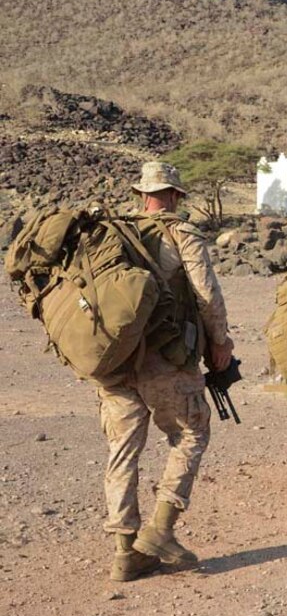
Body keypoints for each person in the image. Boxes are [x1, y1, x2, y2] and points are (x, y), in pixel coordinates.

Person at [98, 161, 234, 582]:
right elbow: (206, 293)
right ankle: (160, 530)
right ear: (175, 195)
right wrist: (220, 342)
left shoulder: (112, 235)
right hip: (165, 357)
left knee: (123, 450)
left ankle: (125, 552)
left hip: (115, 360)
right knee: (192, 432)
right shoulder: (181, 232)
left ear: (142, 195)